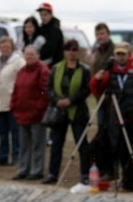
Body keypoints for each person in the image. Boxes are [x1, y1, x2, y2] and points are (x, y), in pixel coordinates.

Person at [90, 41, 133, 192]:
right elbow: (97, 90)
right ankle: (113, 176)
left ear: (129, 54)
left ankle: (129, 183)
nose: (121, 57)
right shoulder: (110, 71)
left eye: (123, 54)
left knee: (132, 151)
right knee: (117, 148)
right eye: (118, 54)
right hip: (116, 116)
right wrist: (97, 79)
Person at [46, 39, 91, 185]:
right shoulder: (56, 68)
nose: (71, 52)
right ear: (64, 52)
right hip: (59, 111)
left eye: (74, 49)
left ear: (77, 52)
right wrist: (56, 100)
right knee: (56, 144)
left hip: (77, 111)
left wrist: (71, 100)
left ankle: (85, 174)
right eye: (68, 49)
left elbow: (86, 89)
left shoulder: (84, 70)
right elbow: (49, 88)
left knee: (82, 144)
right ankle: (53, 173)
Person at [11, 46, 50, 181]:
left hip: (36, 115)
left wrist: (38, 107)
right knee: (24, 144)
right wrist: (14, 106)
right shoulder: (22, 71)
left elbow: (45, 91)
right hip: (22, 113)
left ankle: (36, 170)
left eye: (32, 54)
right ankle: (23, 169)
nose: (29, 57)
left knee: (37, 144)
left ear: (38, 55)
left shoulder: (43, 70)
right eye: (27, 55)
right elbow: (16, 89)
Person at [0, 36, 25, 167]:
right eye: (2, 47)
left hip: (13, 101)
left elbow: (23, 79)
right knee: (2, 131)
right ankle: (2, 155)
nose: (5, 49)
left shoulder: (18, 61)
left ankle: (17, 156)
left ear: (12, 48)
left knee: (15, 131)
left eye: (7, 47)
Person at [36, 3, 64, 68]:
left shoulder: (55, 30)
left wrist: (35, 56)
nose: (43, 17)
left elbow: (49, 49)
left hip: (53, 67)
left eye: (45, 15)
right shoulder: (42, 29)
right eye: (41, 15)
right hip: (42, 65)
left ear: (51, 15)